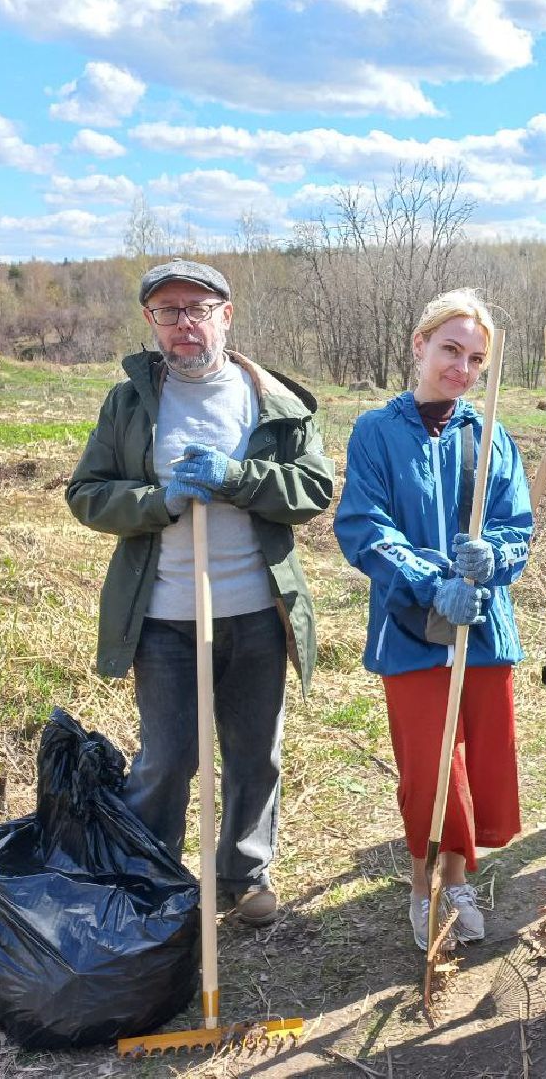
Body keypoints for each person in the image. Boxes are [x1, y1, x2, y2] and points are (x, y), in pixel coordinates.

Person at [66, 258, 334, 928]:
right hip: (162, 618)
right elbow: (87, 494)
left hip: (255, 613)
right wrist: (157, 501)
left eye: (198, 309)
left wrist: (240, 478)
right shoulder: (130, 403)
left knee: (254, 755)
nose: (185, 324)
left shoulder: (273, 400)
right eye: (168, 311)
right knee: (167, 757)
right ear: (151, 322)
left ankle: (243, 878)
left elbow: (314, 491)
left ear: (226, 315)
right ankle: (153, 881)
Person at [334, 288, 533, 951]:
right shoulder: (376, 432)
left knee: (475, 768)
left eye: (475, 357)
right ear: (419, 345)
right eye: (450, 349)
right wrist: (429, 582)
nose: (461, 366)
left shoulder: (491, 433)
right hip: (413, 634)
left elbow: (517, 528)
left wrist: (492, 555)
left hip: (483, 630)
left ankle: (457, 881)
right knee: (429, 769)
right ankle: (422, 891)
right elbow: (364, 527)